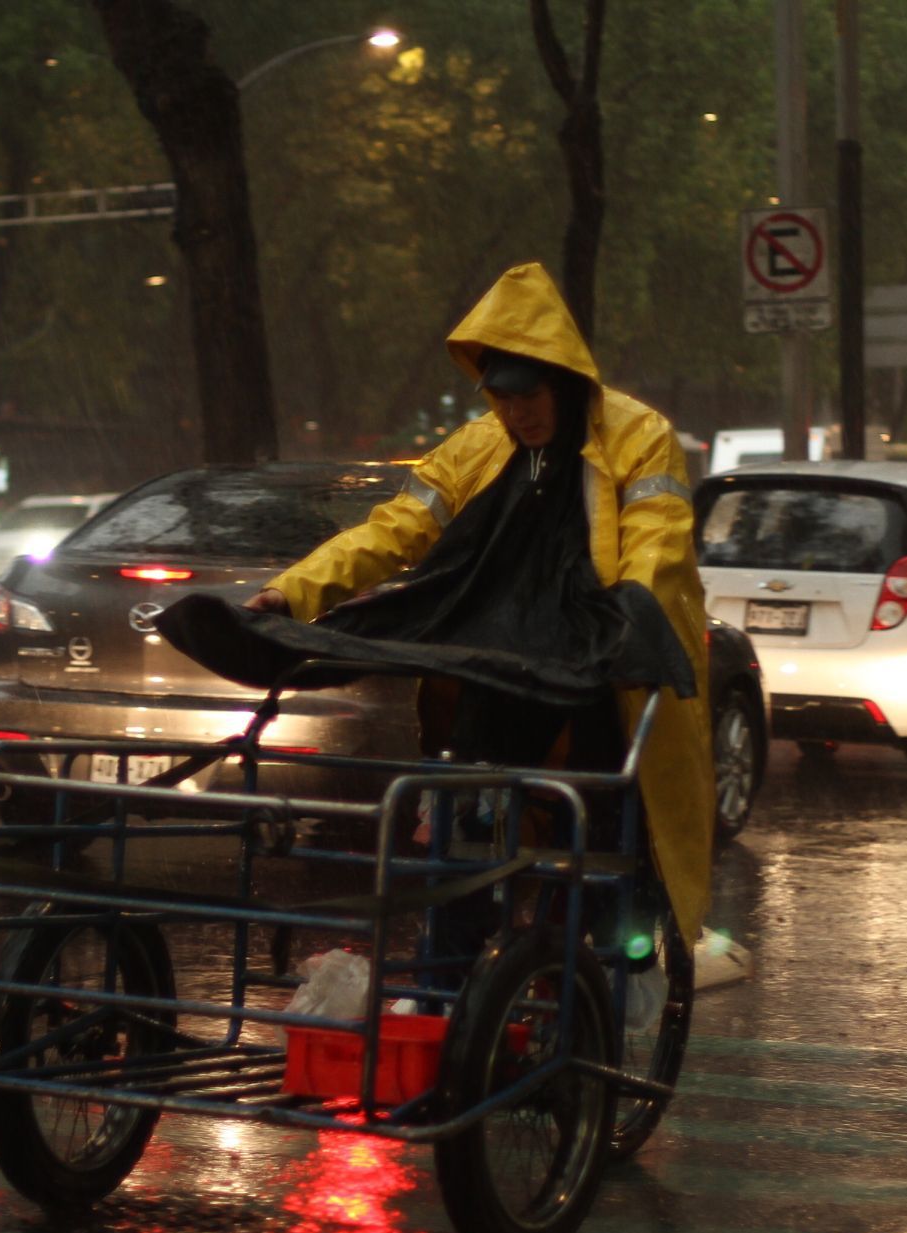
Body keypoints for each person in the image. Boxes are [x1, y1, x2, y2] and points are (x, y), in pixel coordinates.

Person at [201, 261, 713, 959]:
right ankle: (451, 976)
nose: (516, 413)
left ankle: (588, 971)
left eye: (529, 397)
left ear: (561, 379)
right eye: (501, 400)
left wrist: (628, 623)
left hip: (595, 674)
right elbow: (393, 530)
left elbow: (655, 545)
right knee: (462, 817)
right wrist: (293, 592)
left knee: (598, 832)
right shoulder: (478, 446)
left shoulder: (637, 435)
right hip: (497, 667)